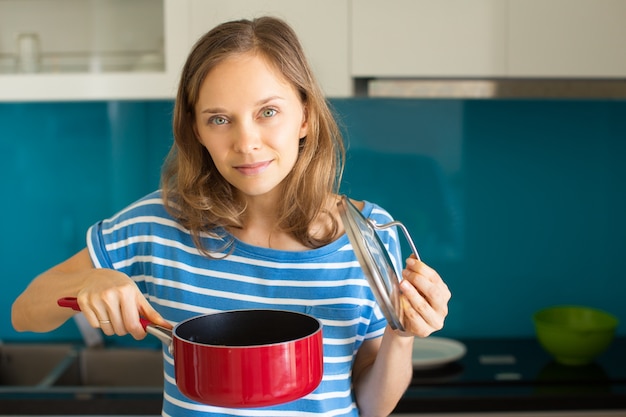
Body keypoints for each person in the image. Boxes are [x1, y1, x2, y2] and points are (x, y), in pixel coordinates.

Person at [12, 16, 450, 417]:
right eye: (219, 119)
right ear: (197, 131)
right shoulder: (157, 224)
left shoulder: (368, 236)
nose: (247, 142)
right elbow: (24, 311)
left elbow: (372, 406)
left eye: (268, 112)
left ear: (306, 117)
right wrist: (87, 282)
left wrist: (402, 334)